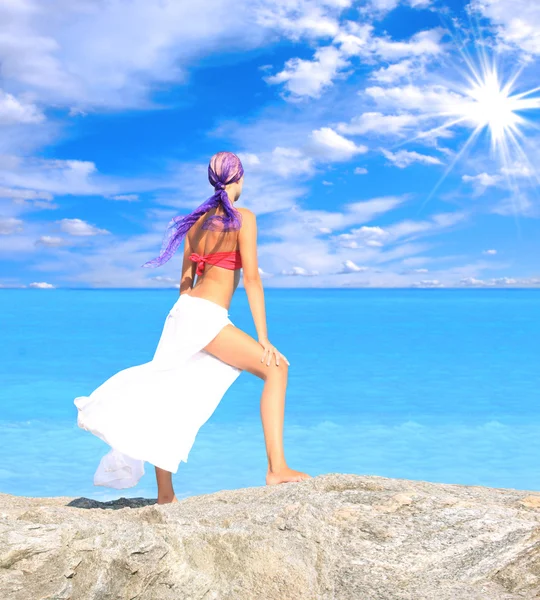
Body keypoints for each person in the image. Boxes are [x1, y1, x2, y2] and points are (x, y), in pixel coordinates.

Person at [74, 151, 311, 504]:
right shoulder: (243, 218)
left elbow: (185, 284)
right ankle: (277, 469)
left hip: (184, 312)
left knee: (168, 393)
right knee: (277, 368)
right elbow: (253, 279)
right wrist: (263, 338)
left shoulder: (195, 225)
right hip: (204, 317)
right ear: (238, 180)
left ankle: (165, 495)